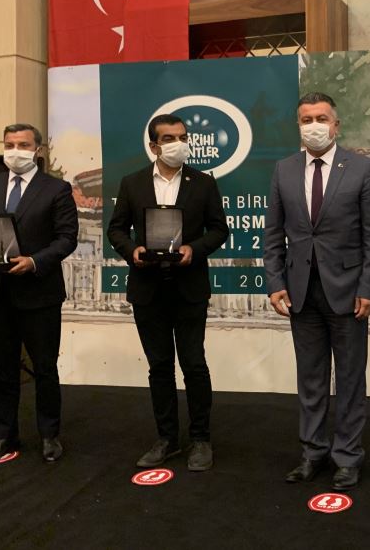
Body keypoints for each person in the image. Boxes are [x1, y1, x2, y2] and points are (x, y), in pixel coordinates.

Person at [263, 92, 370, 492]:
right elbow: (272, 234)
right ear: (298, 126)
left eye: (321, 118)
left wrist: (369, 287)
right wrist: (275, 282)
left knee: (349, 380)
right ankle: (312, 452)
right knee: (311, 378)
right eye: (306, 119)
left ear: (336, 125)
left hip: (349, 293)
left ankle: (347, 457)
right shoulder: (283, 170)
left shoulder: (362, 168)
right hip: (301, 293)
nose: (313, 125)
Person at [107, 113, 229, 471]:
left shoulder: (203, 183)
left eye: (182, 137)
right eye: (169, 138)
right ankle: (166, 439)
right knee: (159, 366)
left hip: (189, 287)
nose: (178, 144)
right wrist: (132, 250)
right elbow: (116, 230)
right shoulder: (132, 183)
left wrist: (195, 248)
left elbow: (219, 229)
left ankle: (201, 439)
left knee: (194, 364)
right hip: (147, 289)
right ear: (153, 146)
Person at [0, 123, 78, 464]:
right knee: (2, 369)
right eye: (9, 144)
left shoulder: (56, 189)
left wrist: (35, 261)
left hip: (39, 294)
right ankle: (4, 436)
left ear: (37, 150)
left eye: (23, 144)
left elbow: (67, 238)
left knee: (44, 368)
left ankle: (49, 435)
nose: (15, 151)